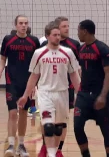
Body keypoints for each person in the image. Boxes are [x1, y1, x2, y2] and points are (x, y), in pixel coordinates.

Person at [18, 21, 80, 157]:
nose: (58, 37)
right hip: (45, 93)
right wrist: (25, 95)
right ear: (47, 36)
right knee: (48, 126)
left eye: (59, 35)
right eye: (54, 35)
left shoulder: (68, 52)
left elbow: (74, 74)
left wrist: (80, 93)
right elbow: (33, 76)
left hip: (62, 93)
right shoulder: (39, 53)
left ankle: (54, 151)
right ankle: (51, 154)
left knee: (59, 128)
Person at [0, 15, 40, 156]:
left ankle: (21, 144)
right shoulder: (8, 40)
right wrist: (0, 70)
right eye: (21, 23)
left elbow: (38, 63)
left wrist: (36, 84)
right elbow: (3, 59)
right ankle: (11, 145)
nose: (23, 25)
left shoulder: (34, 41)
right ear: (15, 25)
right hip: (11, 81)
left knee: (24, 113)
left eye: (26, 23)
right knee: (13, 113)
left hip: (27, 83)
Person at [39, 16, 81, 157]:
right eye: (64, 26)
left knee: (61, 123)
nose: (67, 29)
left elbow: (77, 70)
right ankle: (46, 147)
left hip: (65, 89)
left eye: (68, 26)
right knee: (47, 121)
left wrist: (78, 91)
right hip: (47, 89)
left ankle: (58, 150)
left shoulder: (73, 45)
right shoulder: (43, 47)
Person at [74, 19, 109, 157]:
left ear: (85, 31)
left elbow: (108, 74)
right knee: (77, 126)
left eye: (79, 30)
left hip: (99, 94)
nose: (77, 33)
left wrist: (103, 96)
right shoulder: (81, 48)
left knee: (105, 129)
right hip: (83, 94)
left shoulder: (102, 48)